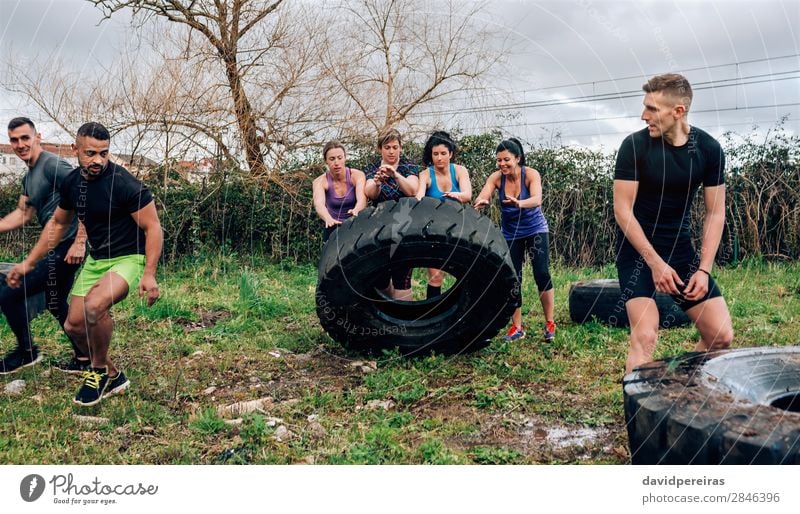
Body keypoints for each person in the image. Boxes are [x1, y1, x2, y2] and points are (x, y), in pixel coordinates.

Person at [7, 121, 163, 406]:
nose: (98, 161)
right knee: (74, 325)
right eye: (90, 153)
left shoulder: (125, 183)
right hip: (98, 260)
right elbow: (57, 224)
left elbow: (153, 228)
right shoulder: (71, 183)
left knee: (94, 306)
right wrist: (29, 262)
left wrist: (149, 274)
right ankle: (115, 376)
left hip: (129, 258)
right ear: (74, 149)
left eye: (104, 154)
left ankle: (98, 371)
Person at [613, 73, 733, 374]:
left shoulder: (708, 150)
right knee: (645, 335)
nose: (644, 116)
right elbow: (622, 210)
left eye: (652, 109)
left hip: (680, 250)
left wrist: (704, 269)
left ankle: (675, 383)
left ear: (678, 111)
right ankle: (639, 418)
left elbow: (715, 213)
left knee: (720, 336)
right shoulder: (634, 147)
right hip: (637, 253)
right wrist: (654, 263)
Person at [0, 117, 89, 375]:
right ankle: (84, 358)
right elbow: (22, 214)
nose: (20, 144)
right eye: (14, 140)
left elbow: (82, 191)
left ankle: (27, 352)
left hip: (68, 245)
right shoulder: (29, 178)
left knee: (9, 293)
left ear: (37, 137)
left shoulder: (52, 164)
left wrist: (81, 241)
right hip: (56, 247)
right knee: (54, 300)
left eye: (25, 138)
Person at [474, 138, 555, 342]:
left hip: (536, 229)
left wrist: (520, 203)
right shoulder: (496, 178)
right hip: (511, 234)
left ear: (517, 158)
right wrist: (482, 200)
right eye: (499, 160)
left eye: (507, 160)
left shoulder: (531, 174)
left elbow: (537, 199)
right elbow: (484, 194)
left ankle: (550, 323)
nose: (502, 164)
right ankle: (517, 328)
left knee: (542, 273)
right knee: (513, 278)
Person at [363, 128, 420, 301]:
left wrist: (395, 175)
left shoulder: (408, 166)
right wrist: (377, 182)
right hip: (379, 229)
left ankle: (405, 323)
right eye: (387, 147)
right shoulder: (372, 168)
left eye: (395, 147)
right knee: (380, 278)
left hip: (404, 228)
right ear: (380, 148)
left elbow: (412, 190)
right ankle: (388, 317)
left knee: (402, 278)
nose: (392, 151)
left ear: (401, 148)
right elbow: (369, 193)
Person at [415, 131, 472, 299]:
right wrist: (418, 200)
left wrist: (456, 195)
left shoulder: (460, 170)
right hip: (435, 229)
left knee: (463, 272)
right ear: (431, 155)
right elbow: (419, 195)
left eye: (443, 153)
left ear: (451, 154)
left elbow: (467, 194)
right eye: (435, 154)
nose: (439, 158)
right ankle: (431, 314)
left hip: (459, 227)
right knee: (436, 275)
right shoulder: (425, 174)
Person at [312, 141, 366, 242]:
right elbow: (319, 204)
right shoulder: (319, 181)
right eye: (332, 159)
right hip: (333, 225)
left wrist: (356, 210)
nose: (336, 163)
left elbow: (362, 198)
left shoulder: (357, 175)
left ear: (345, 157)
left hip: (355, 223)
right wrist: (327, 218)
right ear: (325, 161)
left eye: (340, 158)